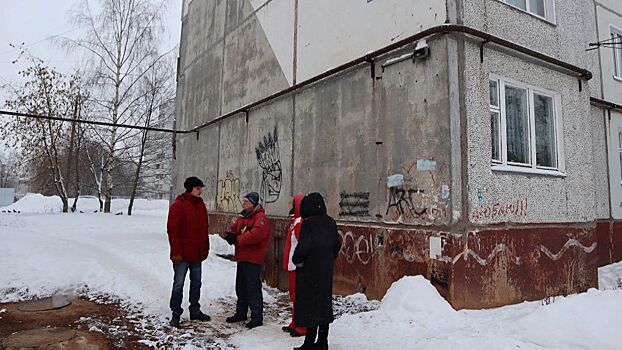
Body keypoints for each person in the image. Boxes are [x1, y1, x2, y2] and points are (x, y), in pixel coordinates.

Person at [292, 192, 341, 350]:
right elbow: (336, 245)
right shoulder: (331, 222)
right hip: (325, 272)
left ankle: (309, 342)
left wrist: (297, 260)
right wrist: (328, 260)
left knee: (310, 306)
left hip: (309, 272)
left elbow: (303, 247)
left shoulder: (309, 224)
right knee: (323, 305)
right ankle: (322, 342)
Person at [166, 176, 211, 328]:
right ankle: (176, 313)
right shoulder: (179, 205)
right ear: (190, 189)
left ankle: (195, 310)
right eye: (198, 188)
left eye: (201, 189)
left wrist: (205, 248)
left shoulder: (200, 205)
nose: (201, 191)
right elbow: (173, 231)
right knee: (179, 284)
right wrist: (176, 252)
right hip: (183, 254)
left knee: (196, 283)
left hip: (196, 253)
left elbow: (204, 229)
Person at [222, 192, 270, 329]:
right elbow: (236, 228)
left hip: (253, 258)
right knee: (241, 286)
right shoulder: (243, 216)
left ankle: (257, 316)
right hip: (242, 257)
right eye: (243, 201)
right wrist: (230, 234)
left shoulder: (260, 218)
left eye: (246, 202)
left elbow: (256, 235)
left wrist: (237, 239)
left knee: (253, 288)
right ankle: (241, 312)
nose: (243, 204)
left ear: (254, 204)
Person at [282, 194, 306, 337]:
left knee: (298, 297)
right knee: (293, 297)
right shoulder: (295, 221)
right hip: (292, 265)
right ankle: (295, 322)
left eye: (292, 204)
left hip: (297, 266)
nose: (290, 207)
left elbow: (301, 244)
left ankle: (301, 325)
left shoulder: (299, 223)